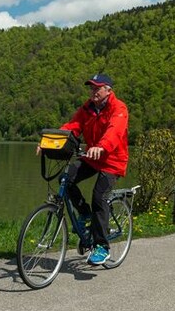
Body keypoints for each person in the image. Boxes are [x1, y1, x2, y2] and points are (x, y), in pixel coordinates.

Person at [39, 73, 129, 265]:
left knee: (99, 197)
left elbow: (115, 130)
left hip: (113, 160)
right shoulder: (87, 108)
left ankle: (102, 246)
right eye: (91, 88)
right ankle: (85, 213)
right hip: (92, 157)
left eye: (97, 88)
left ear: (108, 90)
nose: (93, 91)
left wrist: (102, 146)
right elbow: (72, 127)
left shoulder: (118, 108)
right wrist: (47, 143)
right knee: (66, 178)